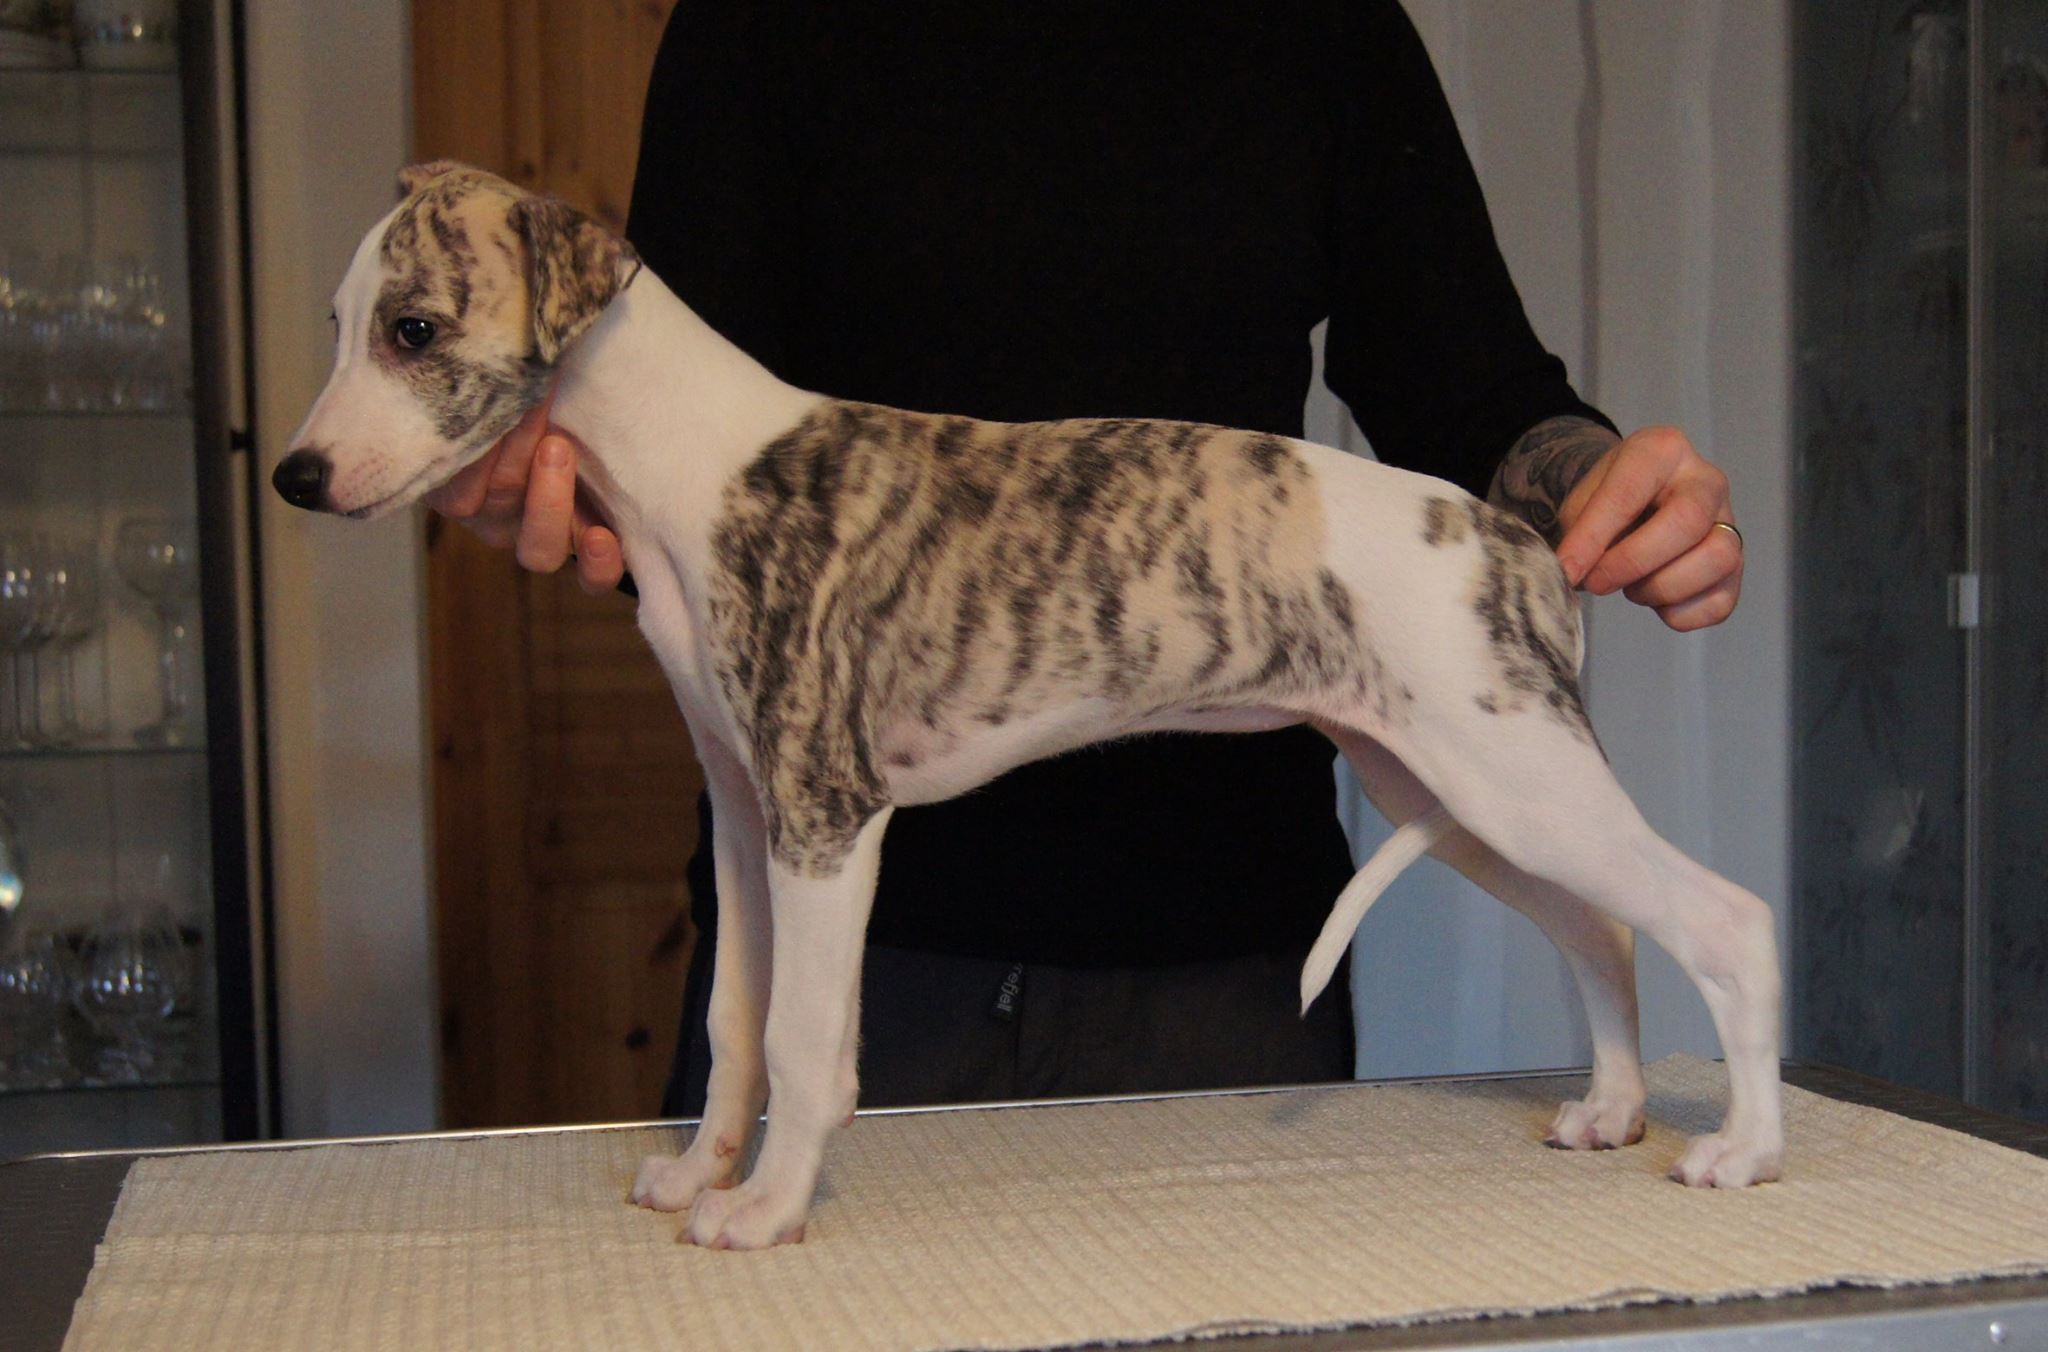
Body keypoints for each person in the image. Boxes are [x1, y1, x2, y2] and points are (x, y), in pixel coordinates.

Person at [428, 3, 1744, 1113]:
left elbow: (1470, 395)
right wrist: (561, 482)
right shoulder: (760, 22)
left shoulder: (1320, 25)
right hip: (847, 933)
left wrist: (1594, 482)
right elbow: (680, 436)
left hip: (1215, 962)